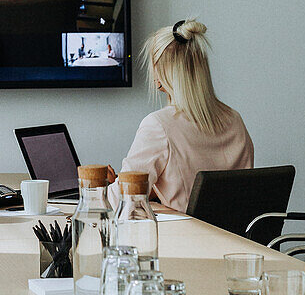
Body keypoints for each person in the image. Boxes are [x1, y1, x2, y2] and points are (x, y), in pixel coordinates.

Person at [107, 19, 254, 213]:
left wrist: (99, 187)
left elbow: (122, 200)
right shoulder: (235, 120)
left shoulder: (159, 125)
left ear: (162, 70)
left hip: (185, 239)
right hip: (235, 240)